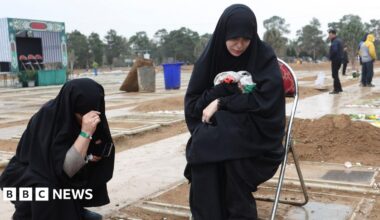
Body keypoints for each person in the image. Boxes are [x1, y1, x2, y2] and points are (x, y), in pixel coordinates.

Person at [184, 4, 285, 219]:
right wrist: (221, 89)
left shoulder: (263, 56)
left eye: (245, 39)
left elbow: (267, 102)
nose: (239, 46)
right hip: (221, 132)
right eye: (234, 39)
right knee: (205, 145)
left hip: (258, 133)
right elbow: (193, 107)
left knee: (228, 154)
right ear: (223, 34)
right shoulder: (210, 58)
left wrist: (222, 102)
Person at [0, 78, 115, 220]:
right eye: (82, 116)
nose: (89, 120)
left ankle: (75, 211)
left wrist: (91, 155)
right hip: (25, 178)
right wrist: (86, 133)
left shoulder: (86, 115)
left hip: (53, 175)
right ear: (71, 108)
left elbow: (100, 147)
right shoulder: (48, 119)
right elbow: (67, 169)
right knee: (50, 190)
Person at [328, 29, 344, 94]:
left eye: (330, 34)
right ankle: (339, 88)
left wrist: (330, 57)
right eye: (329, 34)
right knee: (336, 74)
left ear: (334, 34)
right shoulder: (339, 40)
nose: (329, 36)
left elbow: (334, 50)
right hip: (339, 59)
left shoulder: (335, 41)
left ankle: (336, 90)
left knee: (334, 74)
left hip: (335, 59)